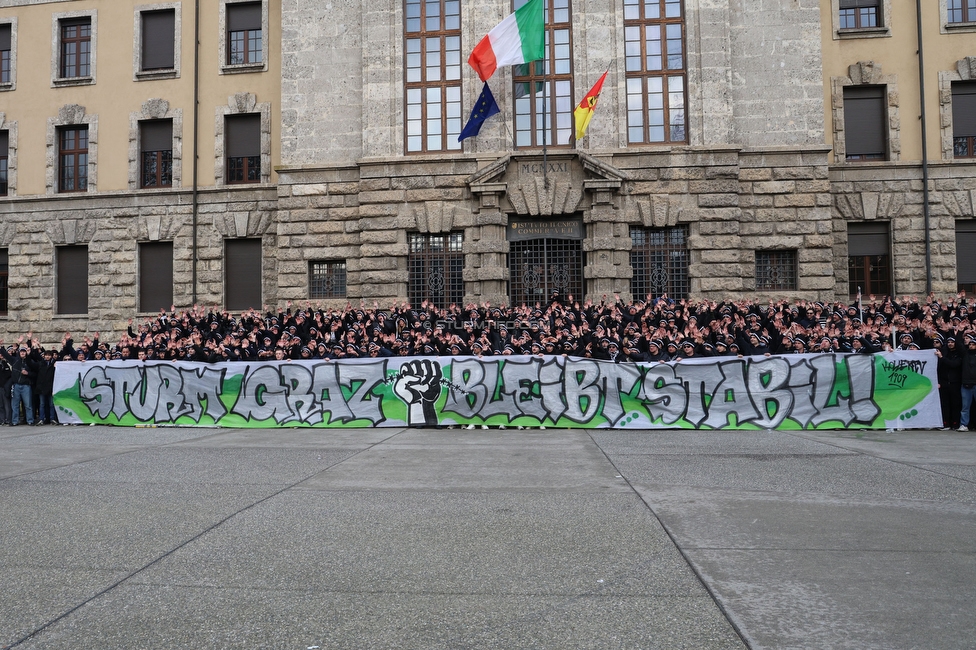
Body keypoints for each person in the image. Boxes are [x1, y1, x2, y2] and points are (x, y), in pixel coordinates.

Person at [0, 343, 37, 426]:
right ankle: (14, 421)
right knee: (15, 405)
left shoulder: (30, 362)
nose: (23, 353)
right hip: (16, 385)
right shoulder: (15, 360)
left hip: (26, 386)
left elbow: (35, 373)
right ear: (19, 353)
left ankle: (30, 420)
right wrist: (1, 347)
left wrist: (28, 373)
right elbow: (6, 355)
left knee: (28, 405)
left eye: (24, 352)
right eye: (21, 352)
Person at [958, 335, 976, 432]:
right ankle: (964, 424)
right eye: (970, 344)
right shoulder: (965, 354)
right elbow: (959, 344)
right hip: (966, 385)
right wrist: (957, 332)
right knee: (965, 407)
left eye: (973, 344)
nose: (971, 346)